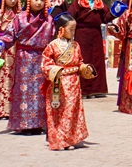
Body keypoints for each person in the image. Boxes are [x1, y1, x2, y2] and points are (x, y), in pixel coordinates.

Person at [0, 0, 55, 133]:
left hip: (42, 57)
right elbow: (10, 35)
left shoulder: (49, 19)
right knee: (24, 90)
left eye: (42, 0)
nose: (39, 2)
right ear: (28, 0)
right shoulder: (19, 18)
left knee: (41, 91)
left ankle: (40, 123)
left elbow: (53, 39)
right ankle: (24, 124)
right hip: (24, 58)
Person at [41, 13, 97, 150]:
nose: (73, 32)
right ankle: (59, 141)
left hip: (73, 83)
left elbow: (79, 62)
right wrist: (55, 70)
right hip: (58, 83)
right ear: (61, 29)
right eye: (70, 29)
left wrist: (85, 68)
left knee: (71, 112)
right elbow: (45, 64)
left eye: (74, 30)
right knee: (58, 112)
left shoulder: (75, 45)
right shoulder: (52, 46)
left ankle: (69, 139)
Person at [68, 0, 115, 97]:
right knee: (84, 59)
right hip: (82, 33)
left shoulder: (99, 2)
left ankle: (97, 89)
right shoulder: (78, 2)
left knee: (97, 60)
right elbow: (70, 16)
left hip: (96, 33)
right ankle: (84, 90)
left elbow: (106, 17)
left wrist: (115, 12)